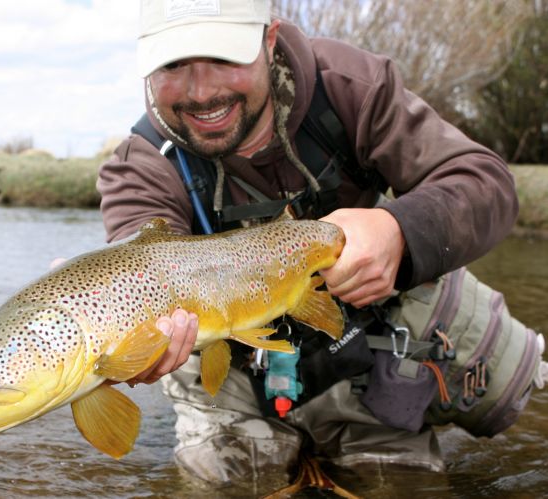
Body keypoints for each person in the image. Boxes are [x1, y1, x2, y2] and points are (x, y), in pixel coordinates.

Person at [96, 0, 519, 485]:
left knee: (400, 484)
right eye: (173, 65)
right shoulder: (141, 165)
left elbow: (484, 182)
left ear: (269, 41)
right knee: (223, 485)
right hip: (232, 367)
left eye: (223, 58)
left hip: (358, 340)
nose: (201, 90)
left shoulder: (351, 88)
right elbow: (134, 254)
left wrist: (398, 230)